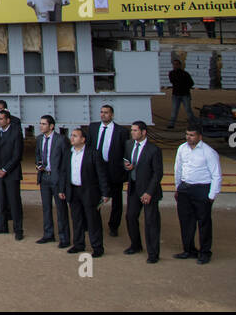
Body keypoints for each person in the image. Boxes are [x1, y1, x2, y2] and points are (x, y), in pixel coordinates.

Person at [173, 123, 221, 264]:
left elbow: (216, 175)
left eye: (192, 135)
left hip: (202, 189)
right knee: (186, 221)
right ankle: (189, 250)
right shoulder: (182, 148)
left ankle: (205, 252)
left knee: (203, 222)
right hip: (185, 188)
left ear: (200, 136)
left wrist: (212, 195)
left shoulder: (209, 152)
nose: (189, 137)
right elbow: (178, 169)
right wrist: (178, 188)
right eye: (187, 134)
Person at [61, 126, 110, 257]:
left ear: (83, 139)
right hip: (73, 190)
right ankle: (78, 244)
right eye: (71, 135)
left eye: (75, 136)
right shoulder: (68, 153)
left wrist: (105, 193)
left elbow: (101, 174)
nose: (72, 137)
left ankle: (97, 247)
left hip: (89, 191)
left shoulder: (93, 153)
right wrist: (62, 189)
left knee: (93, 220)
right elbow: (64, 172)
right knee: (76, 219)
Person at [124, 120, 163, 263]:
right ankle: (136, 245)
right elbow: (126, 159)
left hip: (148, 191)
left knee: (151, 222)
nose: (132, 133)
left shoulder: (154, 150)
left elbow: (158, 173)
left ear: (143, 132)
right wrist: (126, 165)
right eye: (132, 130)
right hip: (134, 187)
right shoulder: (129, 144)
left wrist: (149, 192)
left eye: (135, 130)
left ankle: (153, 253)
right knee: (130, 217)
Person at [88, 104, 128, 237]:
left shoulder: (121, 131)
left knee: (116, 200)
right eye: (101, 112)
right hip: (97, 169)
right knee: (95, 197)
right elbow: (88, 147)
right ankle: (94, 223)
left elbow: (125, 151)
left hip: (114, 170)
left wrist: (124, 169)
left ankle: (114, 226)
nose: (103, 114)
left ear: (112, 115)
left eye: (106, 112)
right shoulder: (93, 127)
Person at [0, 109, 23, 240]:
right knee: (1, 200)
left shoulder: (16, 133)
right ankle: (2, 226)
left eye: (1, 119)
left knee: (14, 202)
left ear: (8, 120)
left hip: (11, 173)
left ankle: (18, 229)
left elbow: (17, 155)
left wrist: (5, 169)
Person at [34, 115, 69, 247]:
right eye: (40, 123)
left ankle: (64, 238)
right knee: (46, 208)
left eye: (43, 124)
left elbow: (66, 162)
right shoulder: (39, 139)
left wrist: (64, 182)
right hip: (44, 177)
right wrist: (38, 164)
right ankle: (48, 234)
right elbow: (38, 155)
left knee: (61, 209)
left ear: (51, 126)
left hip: (57, 179)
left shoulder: (61, 140)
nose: (40, 126)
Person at [168, 56, 196, 130]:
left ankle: (193, 123)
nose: (175, 66)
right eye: (174, 64)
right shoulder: (172, 73)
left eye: (176, 64)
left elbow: (191, 83)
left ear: (180, 65)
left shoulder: (184, 74)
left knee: (188, 110)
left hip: (184, 94)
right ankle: (171, 124)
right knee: (174, 110)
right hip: (176, 94)